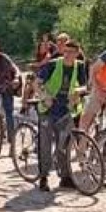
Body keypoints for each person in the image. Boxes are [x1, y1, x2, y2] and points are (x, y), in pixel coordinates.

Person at [32, 40, 87, 191]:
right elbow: (36, 83)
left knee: (64, 145)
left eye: (71, 52)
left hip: (65, 109)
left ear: (77, 53)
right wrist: (45, 97)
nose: (67, 54)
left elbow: (85, 85)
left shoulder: (79, 66)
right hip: (48, 109)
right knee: (45, 144)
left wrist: (78, 91)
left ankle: (65, 177)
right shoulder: (53, 64)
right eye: (65, 51)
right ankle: (43, 177)